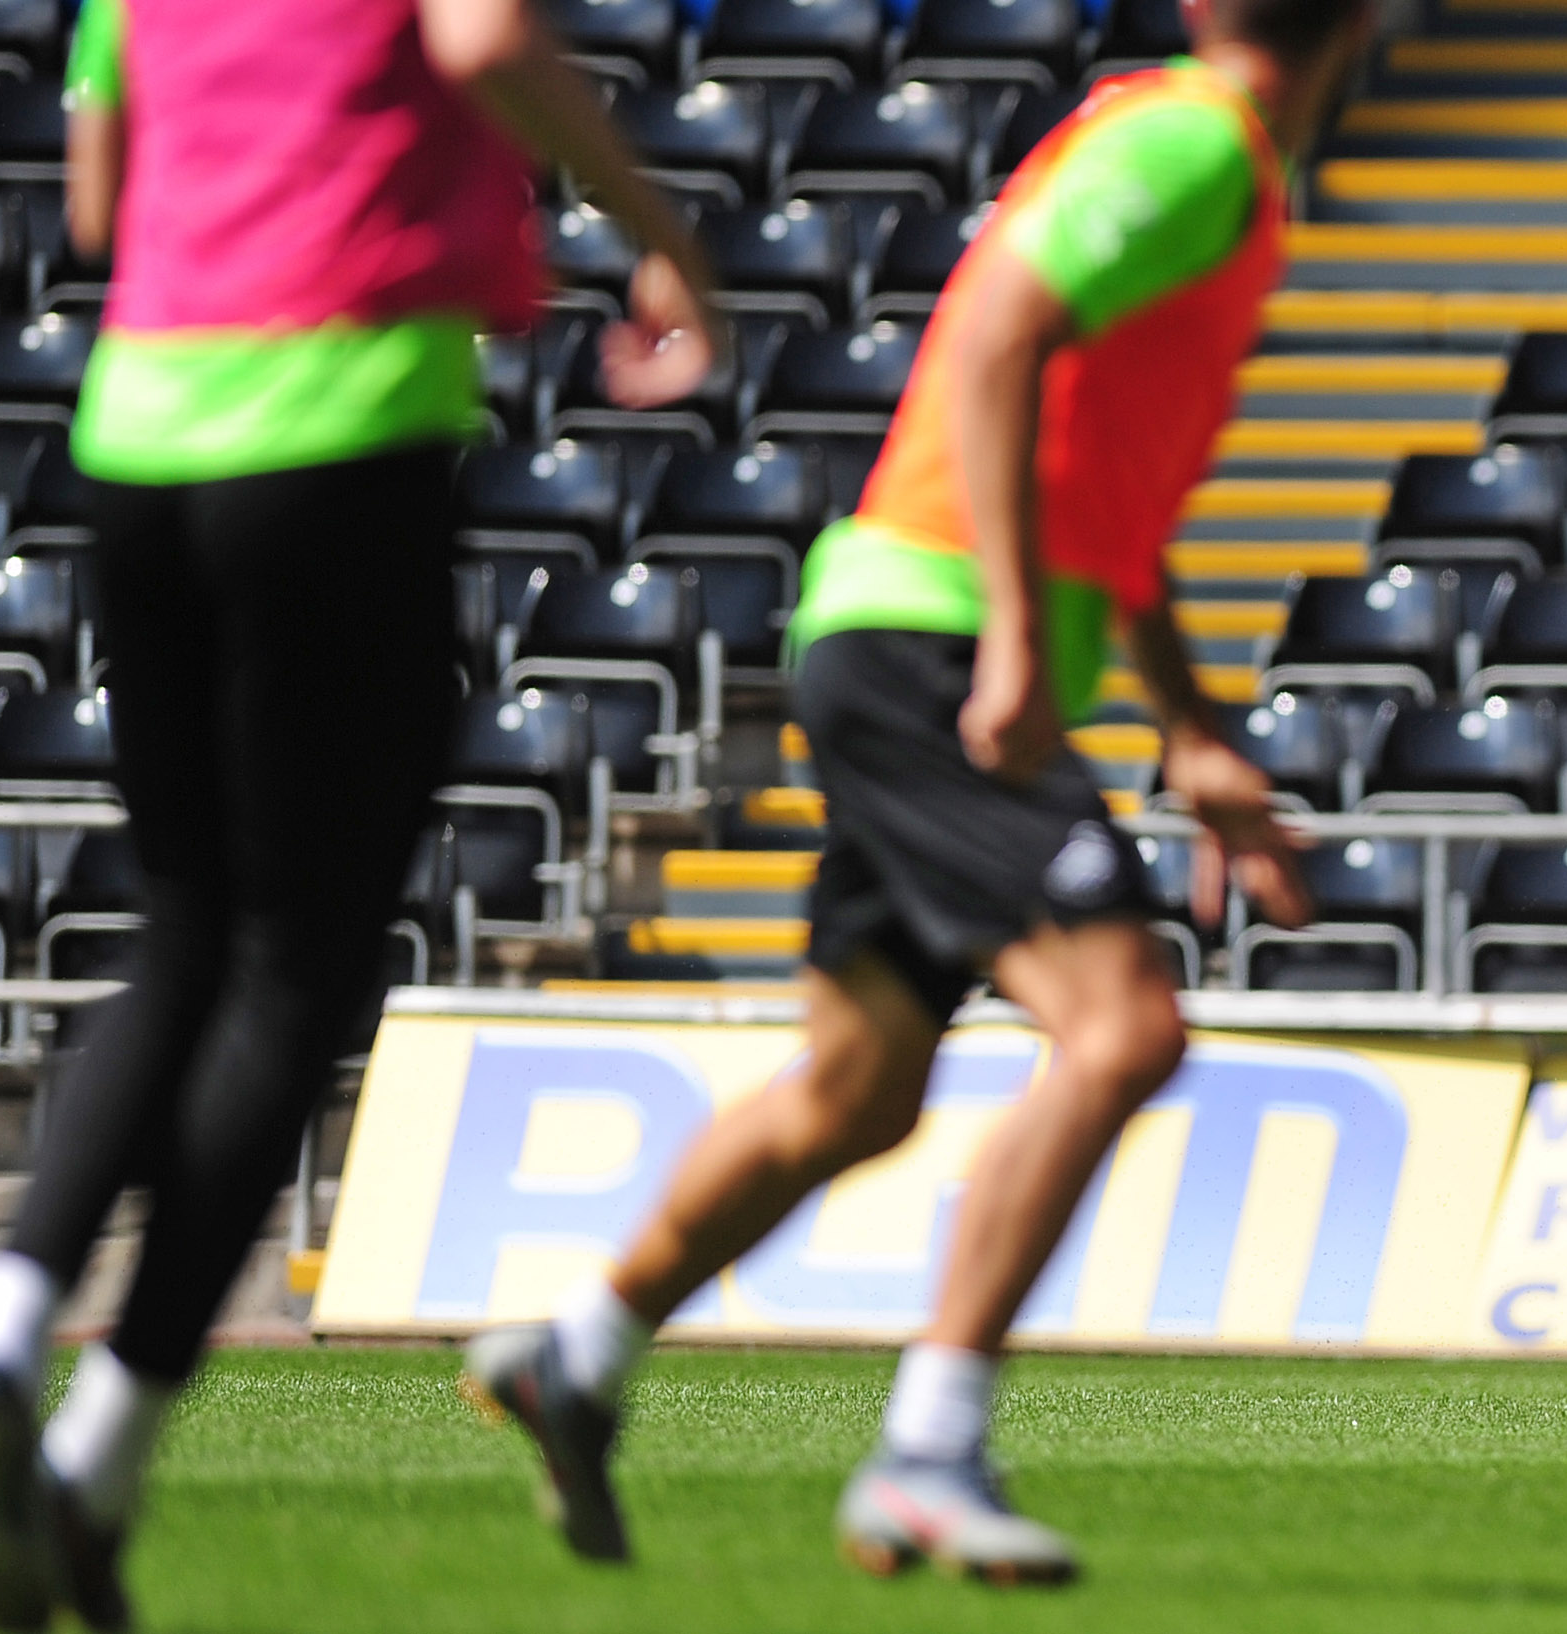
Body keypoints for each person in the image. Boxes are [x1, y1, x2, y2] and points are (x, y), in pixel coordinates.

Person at [458, 0, 1365, 1586]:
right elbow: (1002, 329)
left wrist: (1193, 727)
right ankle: (928, 1449)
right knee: (1126, 1022)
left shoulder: (1232, 176)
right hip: (931, 630)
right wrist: (1016, 625)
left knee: (860, 1081)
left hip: (905, 626)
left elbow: (1109, 485)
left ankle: (579, 1350)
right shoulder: (1192, 145)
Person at [0, 1, 721, 1630]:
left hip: (140, 431)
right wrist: (660, 236)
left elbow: (98, 207)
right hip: (338, 434)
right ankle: (97, 1454)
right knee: (298, 967)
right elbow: (490, 35)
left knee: (184, 927)